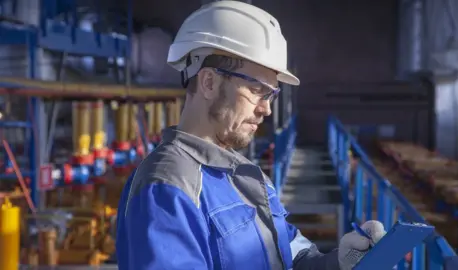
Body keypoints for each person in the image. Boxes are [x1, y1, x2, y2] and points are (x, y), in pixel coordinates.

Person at [115, 1, 387, 269]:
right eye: (257, 90)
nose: (266, 108)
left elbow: (288, 255)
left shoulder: (247, 176)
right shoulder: (168, 188)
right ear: (209, 82)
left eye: (271, 94)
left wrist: (338, 262)